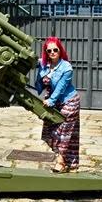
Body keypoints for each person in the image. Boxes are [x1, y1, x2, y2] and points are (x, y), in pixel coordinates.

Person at [34, 37, 80, 173]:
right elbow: (39, 83)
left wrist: (50, 101)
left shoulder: (66, 68)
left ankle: (60, 163)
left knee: (63, 132)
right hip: (53, 101)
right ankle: (70, 164)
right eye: (49, 51)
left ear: (60, 50)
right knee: (51, 130)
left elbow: (60, 88)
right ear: (46, 52)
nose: (52, 52)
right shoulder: (44, 64)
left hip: (69, 101)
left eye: (55, 50)